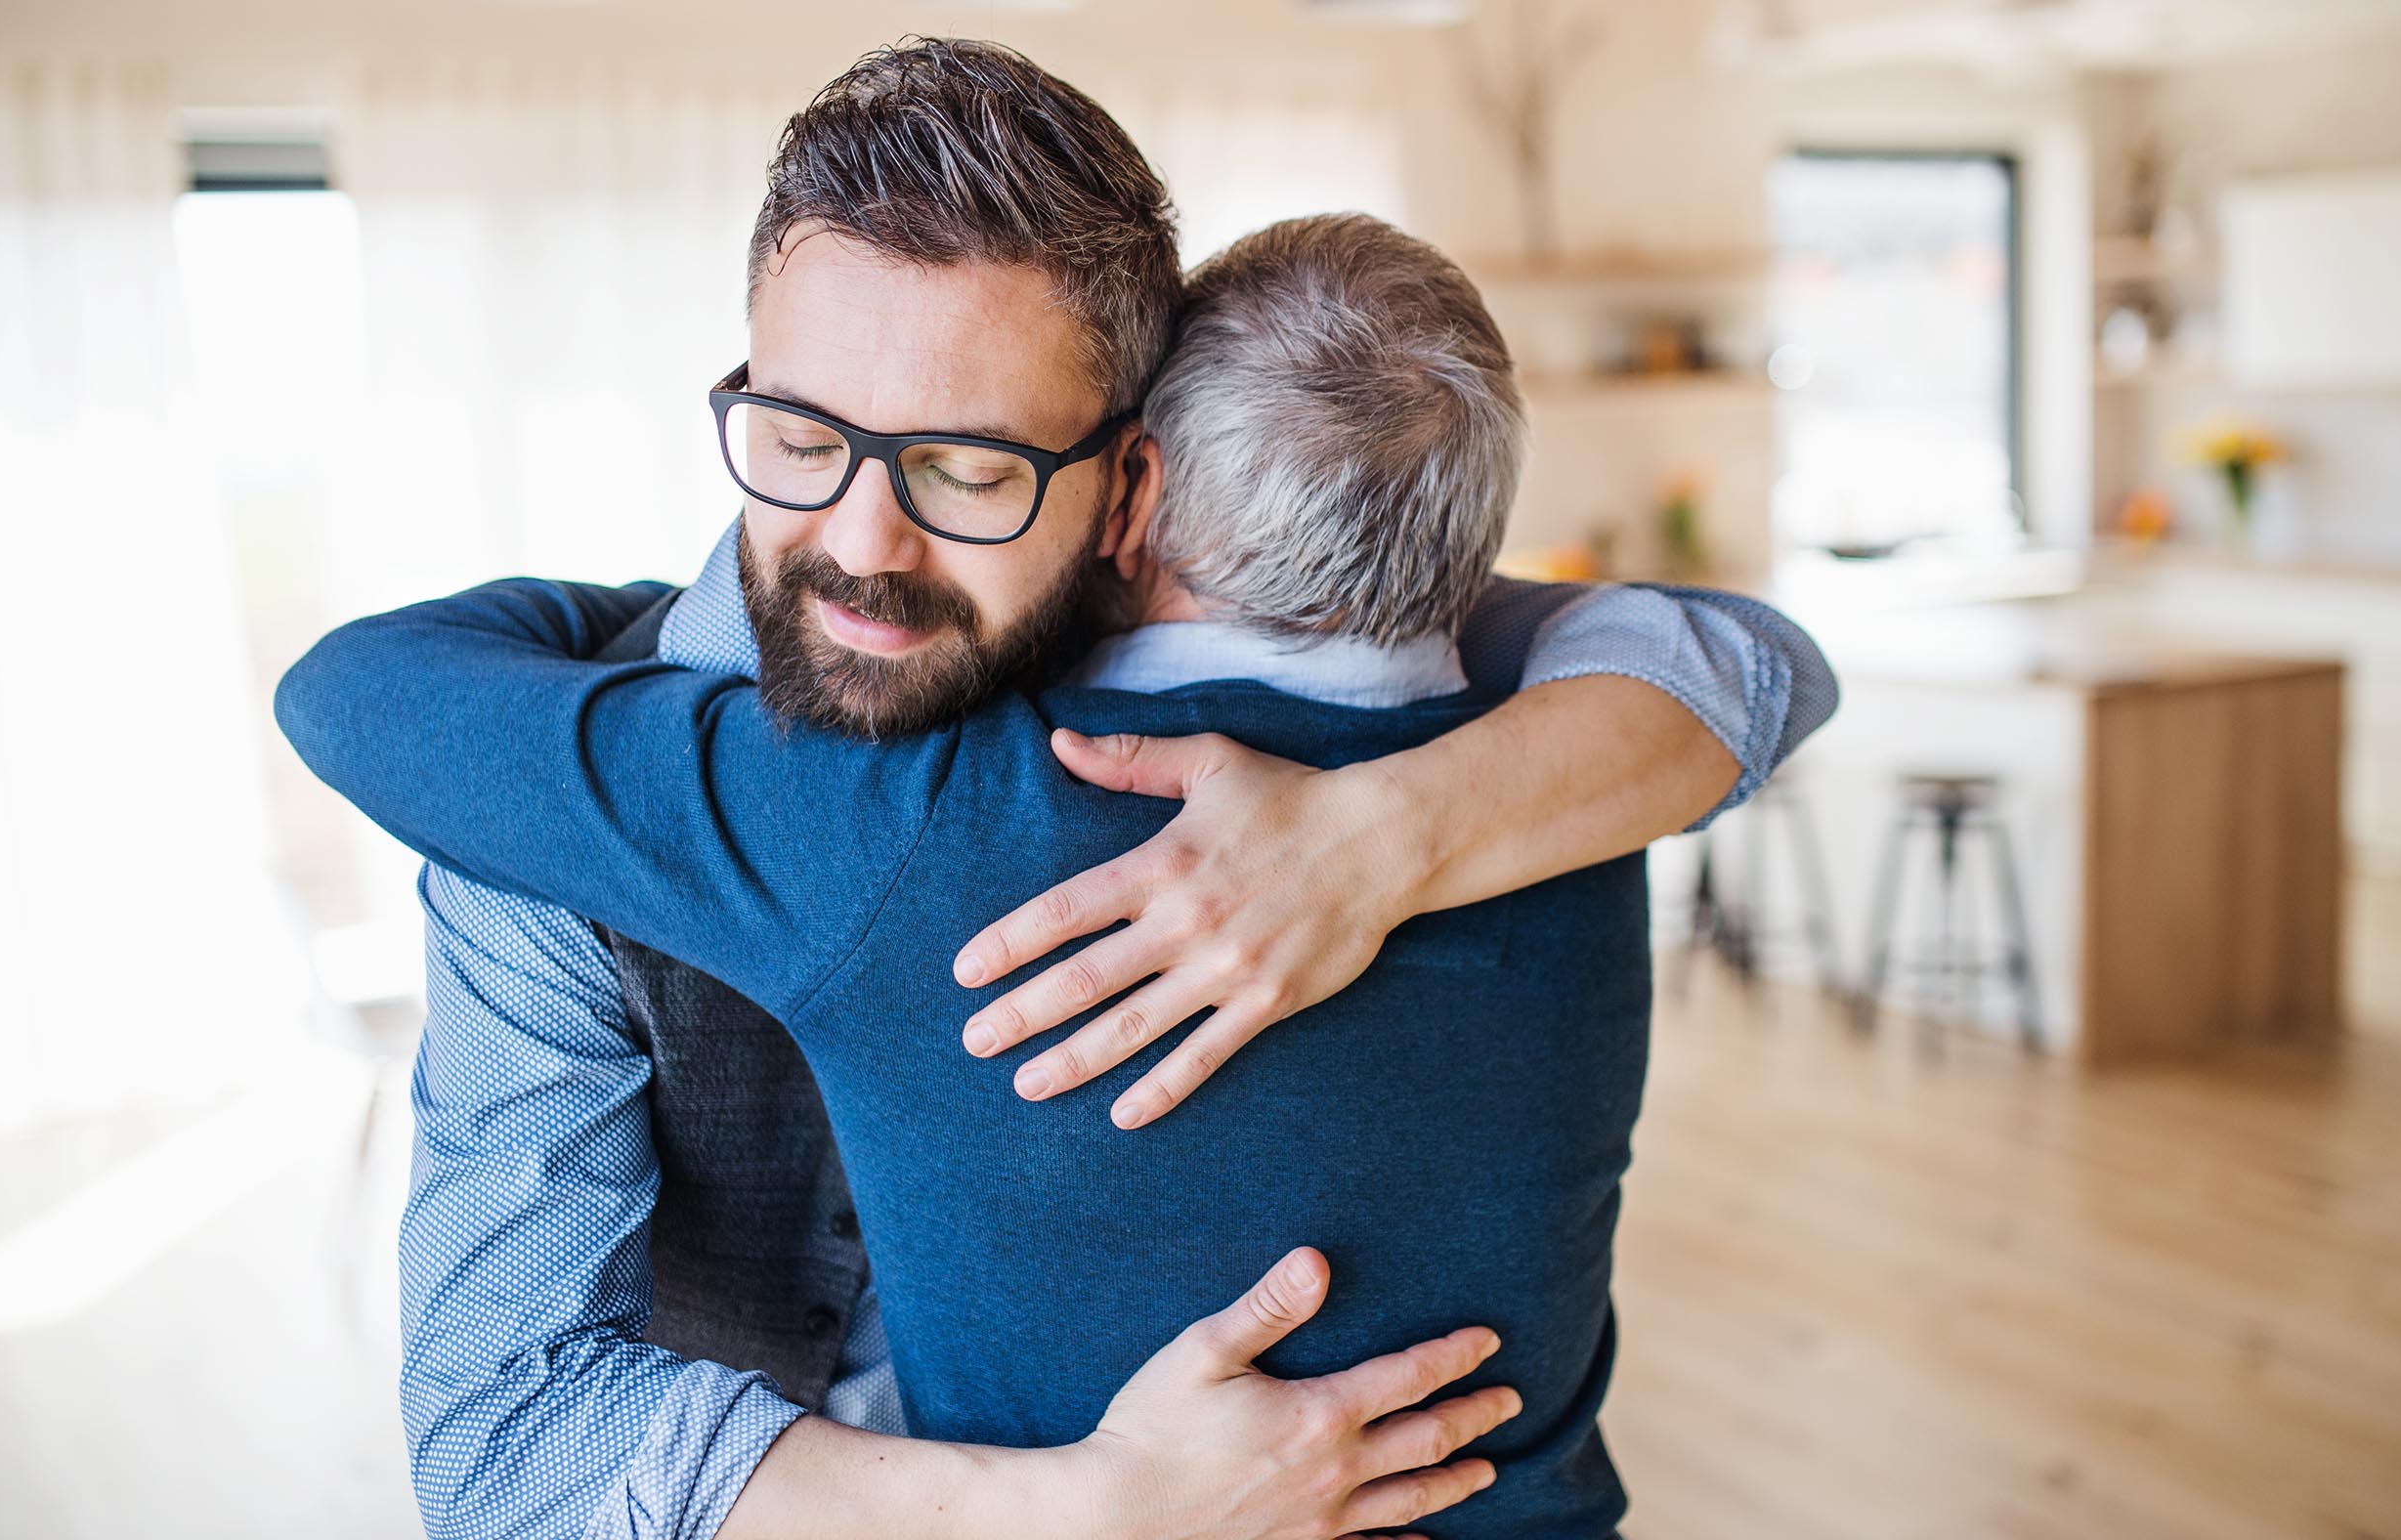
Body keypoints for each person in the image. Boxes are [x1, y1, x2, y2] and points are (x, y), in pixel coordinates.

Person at [293, 40, 1832, 1540]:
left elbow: (1732, 658)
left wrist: (1383, 838)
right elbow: (508, 1452)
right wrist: (1102, 1512)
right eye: (799, 436)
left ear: (1127, 483)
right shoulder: (543, 793)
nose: (868, 547)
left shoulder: (1422, 724)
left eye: (967, 468)